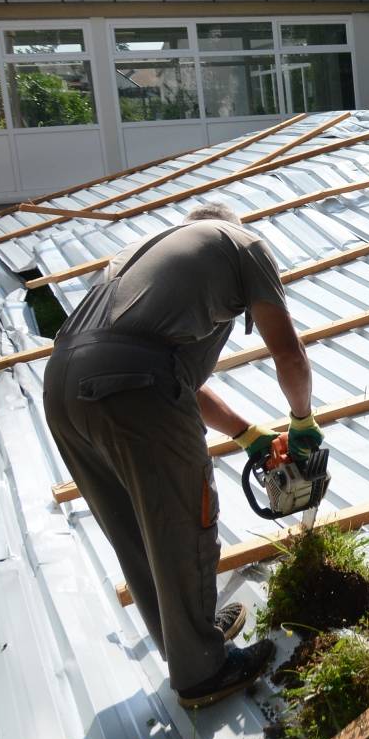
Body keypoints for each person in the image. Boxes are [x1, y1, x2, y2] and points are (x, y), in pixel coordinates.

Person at [42, 203, 324, 708]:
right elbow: (288, 353)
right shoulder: (245, 245)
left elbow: (178, 380)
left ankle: (188, 644)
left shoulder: (147, 260)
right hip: (132, 381)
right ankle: (202, 672)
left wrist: (249, 435)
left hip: (63, 382)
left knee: (135, 530)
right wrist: (301, 422)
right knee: (184, 516)